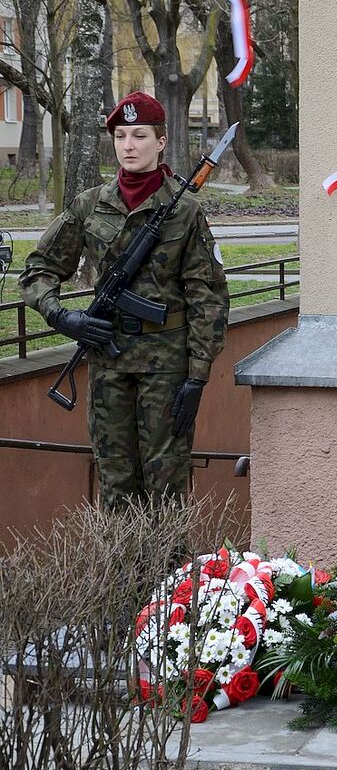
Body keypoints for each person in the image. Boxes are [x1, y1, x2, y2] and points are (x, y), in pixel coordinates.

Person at [20, 92, 229, 510]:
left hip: (166, 368)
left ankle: (167, 575)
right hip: (108, 364)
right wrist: (64, 318)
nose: (129, 145)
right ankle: (121, 576)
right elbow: (37, 270)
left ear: (161, 141)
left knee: (166, 487)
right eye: (120, 136)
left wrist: (197, 376)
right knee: (115, 485)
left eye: (139, 135)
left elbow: (207, 297)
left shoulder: (183, 210)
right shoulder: (90, 205)